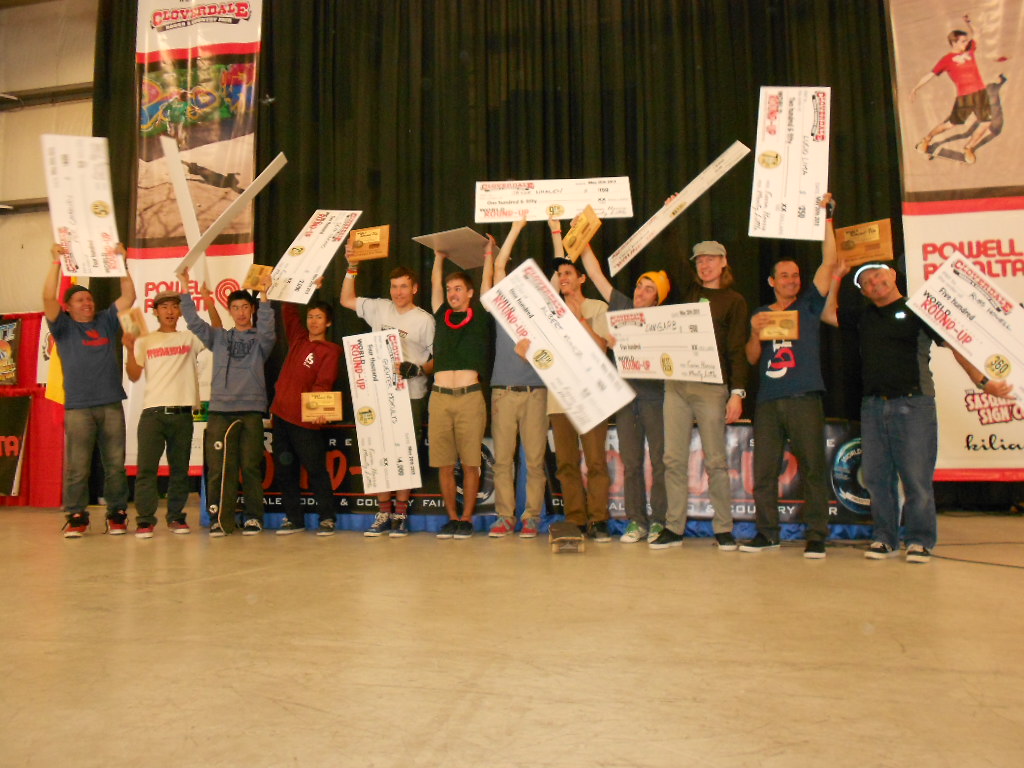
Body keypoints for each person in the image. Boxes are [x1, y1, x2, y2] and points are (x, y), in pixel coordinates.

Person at [822, 255, 1012, 563]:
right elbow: (829, 315)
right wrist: (837, 276)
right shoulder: (864, 316)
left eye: (879, 277)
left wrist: (983, 382)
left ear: (893, 277)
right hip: (873, 406)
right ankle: (885, 538)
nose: (875, 283)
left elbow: (957, 348)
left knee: (916, 478)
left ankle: (920, 540)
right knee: (877, 478)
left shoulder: (920, 311)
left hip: (913, 404)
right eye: (867, 283)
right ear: (865, 292)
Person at [740, 195, 838, 559]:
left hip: (804, 397)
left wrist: (828, 217)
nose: (792, 280)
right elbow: (752, 358)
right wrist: (755, 333)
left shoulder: (810, 304)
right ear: (772, 281)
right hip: (767, 401)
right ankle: (768, 533)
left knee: (812, 468)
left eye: (796, 275)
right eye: (785, 276)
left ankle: (816, 536)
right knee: (764, 471)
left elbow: (829, 262)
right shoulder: (761, 312)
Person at [652, 240, 749, 551]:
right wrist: (671, 214)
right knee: (673, 459)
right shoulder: (689, 295)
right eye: (699, 262)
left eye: (710, 260)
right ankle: (674, 526)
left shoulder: (734, 301)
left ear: (724, 262)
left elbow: (737, 350)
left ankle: (723, 528)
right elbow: (672, 257)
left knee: (716, 460)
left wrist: (736, 393)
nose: (704, 266)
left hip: (711, 387)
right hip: (677, 385)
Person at [579, 242, 670, 544]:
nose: (641, 293)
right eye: (639, 286)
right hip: (625, 398)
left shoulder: (665, 320)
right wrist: (583, 239)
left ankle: (660, 521)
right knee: (631, 463)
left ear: (658, 298)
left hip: (655, 398)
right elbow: (594, 272)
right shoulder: (620, 306)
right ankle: (636, 521)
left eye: (648, 290)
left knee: (659, 460)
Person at [44, 244, 135, 538]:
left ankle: (117, 514)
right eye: (80, 299)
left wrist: (122, 260)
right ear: (68, 307)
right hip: (79, 407)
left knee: (115, 467)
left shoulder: (107, 322)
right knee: (78, 468)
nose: (87, 303)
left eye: (90, 299)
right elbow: (47, 296)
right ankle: (76, 516)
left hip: (110, 404)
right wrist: (57, 262)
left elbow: (129, 297)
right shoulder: (64, 328)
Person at [341, 250, 435, 537]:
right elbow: (346, 299)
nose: (398, 292)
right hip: (378, 395)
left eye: (404, 286)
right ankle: (383, 511)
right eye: (394, 286)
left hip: (411, 396)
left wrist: (417, 369)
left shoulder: (424, 320)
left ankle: (401, 514)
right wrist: (352, 267)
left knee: (404, 453)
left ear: (415, 288)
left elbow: (437, 360)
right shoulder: (380, 308)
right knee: (379, 452)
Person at [180, 269, 275, 536]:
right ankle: (219, 518)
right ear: (230, 311)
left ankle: (254, 517)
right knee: (220, 468)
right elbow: (194, 322)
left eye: (246, 307)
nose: (241, 312)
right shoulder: (219, 337)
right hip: (221, 411)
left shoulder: (261, 340)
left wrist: (265, 295)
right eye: (236, 307)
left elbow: (268, 328)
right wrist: (185, 288)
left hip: (252, 411)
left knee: (251, 466)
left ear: (252, 309)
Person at [542, 251, 614, 542]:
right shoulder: (550, 312)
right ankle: (576, 518)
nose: (564, 279)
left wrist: (580, 318)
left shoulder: (597, 307)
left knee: (596, 461)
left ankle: (599, 518)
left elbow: (601, 347)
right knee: (566, 463)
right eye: (560, 275)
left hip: (592, 395)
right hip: (559, 396)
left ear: (581, 278)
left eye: (568, 273)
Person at [123, 288, 206, 538]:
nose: (170, 311)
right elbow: (134, 375)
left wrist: (208, 300)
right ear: (155, 311)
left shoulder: (189, 338)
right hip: (152, 414)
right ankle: (145, 520)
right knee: (146, 470)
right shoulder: (145, 340)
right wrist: (129, 348)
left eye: (174, 306)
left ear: (180, 310)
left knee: (179, 469)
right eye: (164, 307)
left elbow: (214, 331)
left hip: (181, 414)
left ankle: (176, 517)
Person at [487, 218, 549, 540]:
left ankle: (532, 516)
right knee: (502, 461)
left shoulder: (547, 315)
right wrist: (516, 227)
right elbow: (498, 267)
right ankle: (505, 517)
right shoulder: (504, 306)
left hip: (536, 392)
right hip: (504, 392)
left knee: (535, 460)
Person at [430, 240, 494, 539]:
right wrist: (438, 258)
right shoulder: (440, 314)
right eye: (450, 289)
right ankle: (451, 517)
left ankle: (467, 518)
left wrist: (488, 256)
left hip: (470, 398)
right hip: (440, 398)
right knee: (444, 463)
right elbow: (434, 285)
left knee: (471, 463)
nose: (453, 294)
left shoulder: (480, 314)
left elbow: (488, 284)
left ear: (469, 293)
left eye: (459, 289)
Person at [270, 295, 342, 537]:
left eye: (319, 317)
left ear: (328, 323)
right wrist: (307, 287)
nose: (313, 321)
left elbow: (324, 383)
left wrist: (319, 411)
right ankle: (293, 519)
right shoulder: (298, 339)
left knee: (315, 469)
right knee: (284, 470)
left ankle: (327, 517)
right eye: (310, 316)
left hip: (306, 421)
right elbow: (288, 311)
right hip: (280, 416)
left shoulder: (331, 350)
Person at [910, 13, 993, 164]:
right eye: (962, 41)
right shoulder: (946, 60)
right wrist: (915, 87)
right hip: (964, 97)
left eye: (966, 41)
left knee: (987, 123)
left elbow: (977, 34)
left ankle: (969, 147)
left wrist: (969, 22)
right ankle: (927, 139)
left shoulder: (970, 51)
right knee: (951, 124)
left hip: (981, 93)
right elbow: (930, 74)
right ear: (954, 42)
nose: (965, 43)